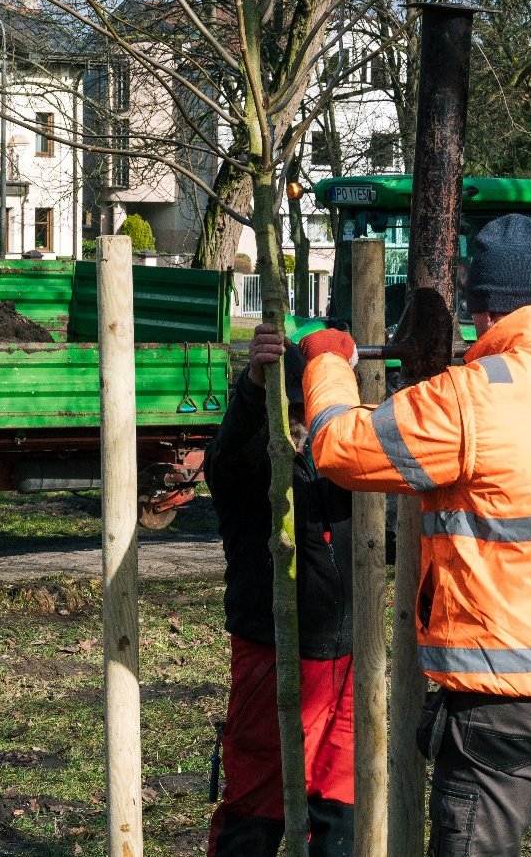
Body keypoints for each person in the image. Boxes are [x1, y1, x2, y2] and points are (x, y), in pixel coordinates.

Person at [298, 213, 531, 857]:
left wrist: (330, 368)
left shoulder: (470, 398)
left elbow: (340, 448)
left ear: (480, 310)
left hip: (502, 694)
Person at [205, 334, 356, 856]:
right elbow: (225, 454)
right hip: (272, 651)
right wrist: (252, 387)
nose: (300, 426)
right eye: (292, 410)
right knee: (258, 802)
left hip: (346, 657)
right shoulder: (251, 465)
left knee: (339, 806)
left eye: (305, 410)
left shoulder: (340, 461)